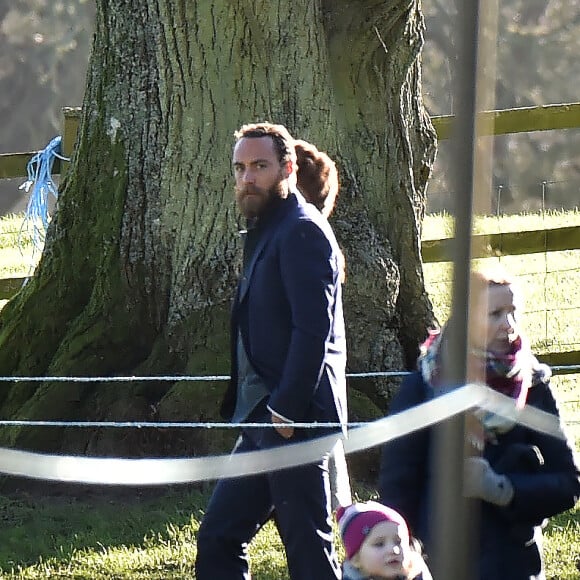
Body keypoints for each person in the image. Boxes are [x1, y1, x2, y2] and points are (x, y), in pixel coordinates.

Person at [195, 122, 347, 580]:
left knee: (308, 551)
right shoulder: (268, 227)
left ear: (287, 168)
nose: (247, 178)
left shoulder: (302, 230)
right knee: (219, 536)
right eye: (240, 168)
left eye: (259, 166)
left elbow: (312, 330)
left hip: (292, 422)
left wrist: (286, 408)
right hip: (265, 416)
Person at [379, 267, 580, 580]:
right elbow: (398, 481)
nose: (509, 326)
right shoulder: (426, 385)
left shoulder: (532, 385)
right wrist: (405, 556)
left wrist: (503, 490)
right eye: (495, 314)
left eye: (513, 312)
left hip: (513, 562)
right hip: (442, 558)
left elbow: (569, 482)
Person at [336, 501, 432, 580]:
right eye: (379, 544)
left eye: (398, 542)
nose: (394, 550)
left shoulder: (418, 575)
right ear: (356, 559)